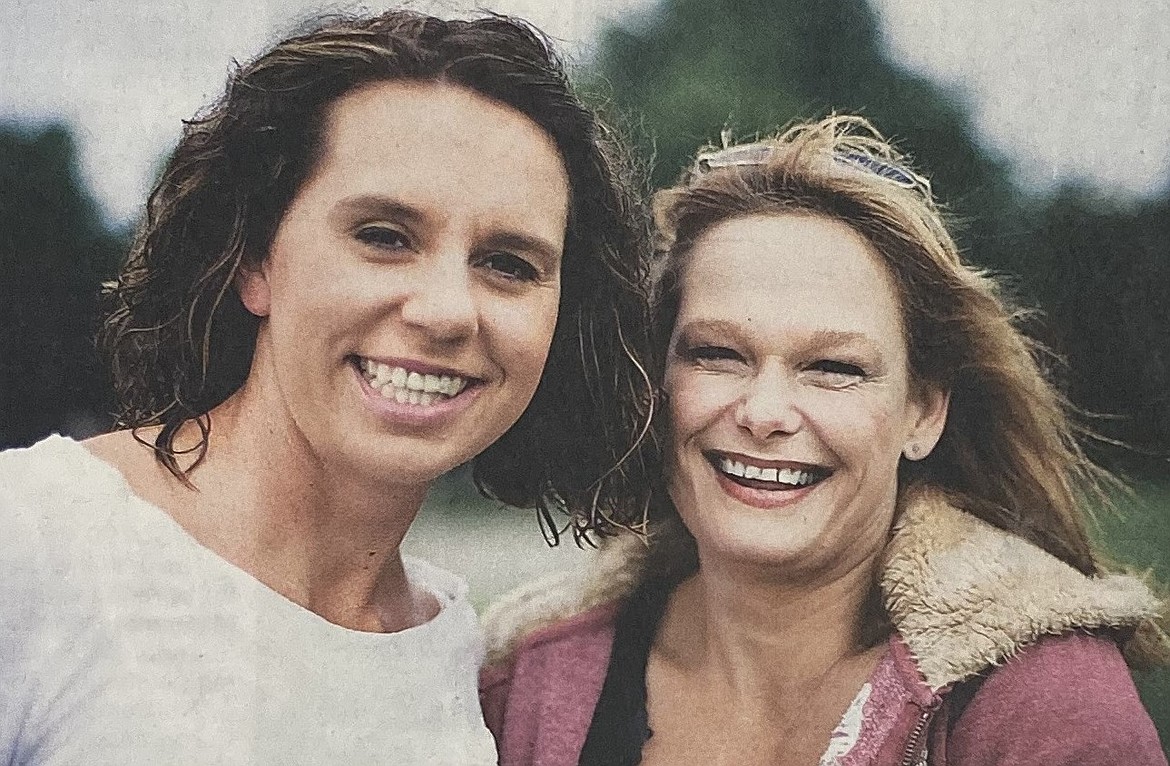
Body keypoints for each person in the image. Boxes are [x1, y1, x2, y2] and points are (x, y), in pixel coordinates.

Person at [0, 9, 657, 765]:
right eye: (383, 236)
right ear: (253, 259)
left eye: (509, 263)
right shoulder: (36, 541)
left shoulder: (454, 657)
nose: (447, 311)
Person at [479, 115, 1169, 765]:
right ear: (658, 379)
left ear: (923, 411)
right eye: (718, 353)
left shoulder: (1044, 703)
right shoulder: (526, 680)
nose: (765, 412)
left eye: (833, 367)